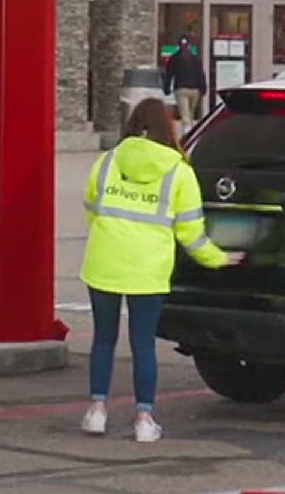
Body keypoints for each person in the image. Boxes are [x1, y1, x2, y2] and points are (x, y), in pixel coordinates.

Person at [79, 96, 238, 442]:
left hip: (103, 261)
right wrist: (220, 259)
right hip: (148, 269)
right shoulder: (179, 172)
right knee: (142, 344)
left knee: (103, 339)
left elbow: (92, 208)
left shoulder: (107, 162)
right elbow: (191, 234)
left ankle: (96, 411)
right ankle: (144, 419)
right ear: (169, 128)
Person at [161, 35, 207, 127]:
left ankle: (187, 134)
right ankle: (192, 131)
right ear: (189, 45)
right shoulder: (195, 59)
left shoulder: (174, 58)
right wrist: (203, 88)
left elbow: (169, 74)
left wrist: (166, 88)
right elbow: (200, 74)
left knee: (185, 115)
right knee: (191, 113)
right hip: (194, 90)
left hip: (181, 89)